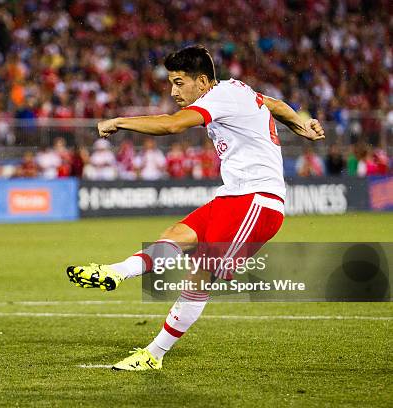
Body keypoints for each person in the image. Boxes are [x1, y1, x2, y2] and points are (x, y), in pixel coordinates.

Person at [66, 45, 324, 371]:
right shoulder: (234, 89)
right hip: (232, 197)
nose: (173, 91)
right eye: (171, 83)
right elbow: (273, 104)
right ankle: (116, 272)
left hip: (258, 201)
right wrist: (302, 125)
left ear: (202, 81)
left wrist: (119, 122)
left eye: (179, 83)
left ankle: (153, 354)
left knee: (199, 274)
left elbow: (171, 126)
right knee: (176, 235)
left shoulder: (219, 97)